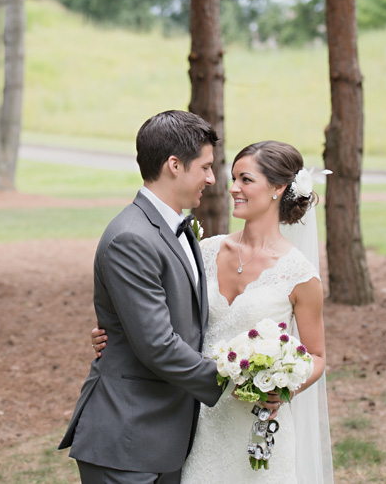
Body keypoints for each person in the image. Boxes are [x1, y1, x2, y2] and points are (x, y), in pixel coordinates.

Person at [92, 140, 334, 483]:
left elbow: (317, 355)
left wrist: (280, 387)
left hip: (255, 422)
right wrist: (116, 335)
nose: (232, 188)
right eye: (232, 178)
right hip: (195, 417)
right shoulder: (203, 250)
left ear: (278, 188)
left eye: (246, 180)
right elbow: (157, 318)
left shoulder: (300, 275)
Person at [59, 110, 227, 484]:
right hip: (128, 438)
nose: (212, 178)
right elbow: (157, 344)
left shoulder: (175, 228)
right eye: (205, 167)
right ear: (173, 165)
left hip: (164, 433)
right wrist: (232, 383)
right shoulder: (131, 238)